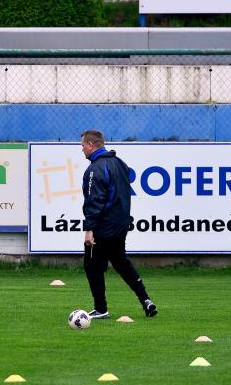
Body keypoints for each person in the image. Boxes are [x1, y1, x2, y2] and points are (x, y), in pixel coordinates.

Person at [79, 129, 157, 320]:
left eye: (82, 145)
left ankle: (101, 308)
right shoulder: (120, 164)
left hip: (102, 227)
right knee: (121, 262)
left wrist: (89, 229)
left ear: (90, 145)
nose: (81, 150)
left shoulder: (95, 169)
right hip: (120, 225)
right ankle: (145, 299)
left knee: (92, 265)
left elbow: (94, 201)